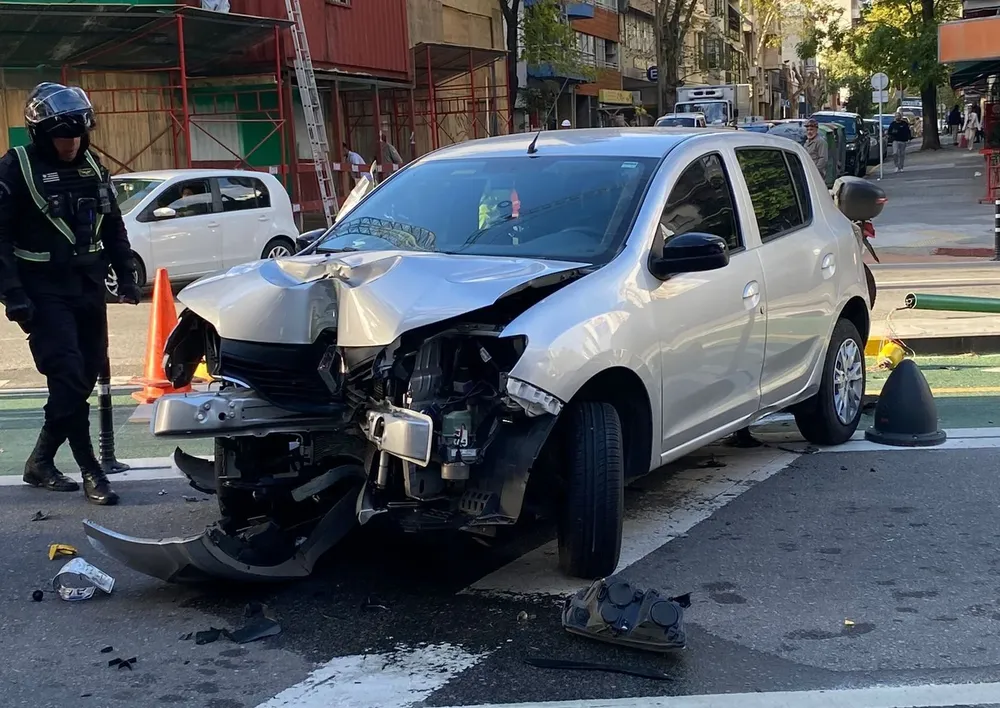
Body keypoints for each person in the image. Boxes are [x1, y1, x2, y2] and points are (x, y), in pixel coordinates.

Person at [0, 82, 140, 505]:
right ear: (42, 134)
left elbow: (112, 222)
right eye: (63, 136)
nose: (71, 144)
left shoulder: (92, 164)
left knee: (81, 378)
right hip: (42, 290)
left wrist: (125, 271)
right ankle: (91, 470)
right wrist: (14, 296)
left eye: (78, 135)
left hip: (87, 285)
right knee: (65, 375)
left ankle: (40, 462)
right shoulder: (13, 168)